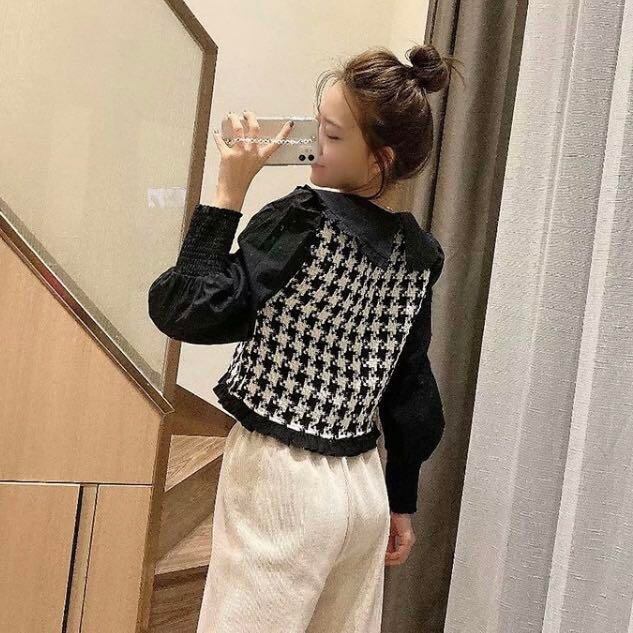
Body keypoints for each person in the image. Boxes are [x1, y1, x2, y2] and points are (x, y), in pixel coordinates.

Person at [148, 43, 454, 633]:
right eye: (317, 125)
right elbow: (412, 392)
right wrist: (401, 499)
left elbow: (185, 308)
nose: (315, 142)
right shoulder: (419, 255)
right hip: (362, 487)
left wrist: (228, 192)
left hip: (281, 480)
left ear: (381, 160)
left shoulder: (302, 219)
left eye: (332, 136)